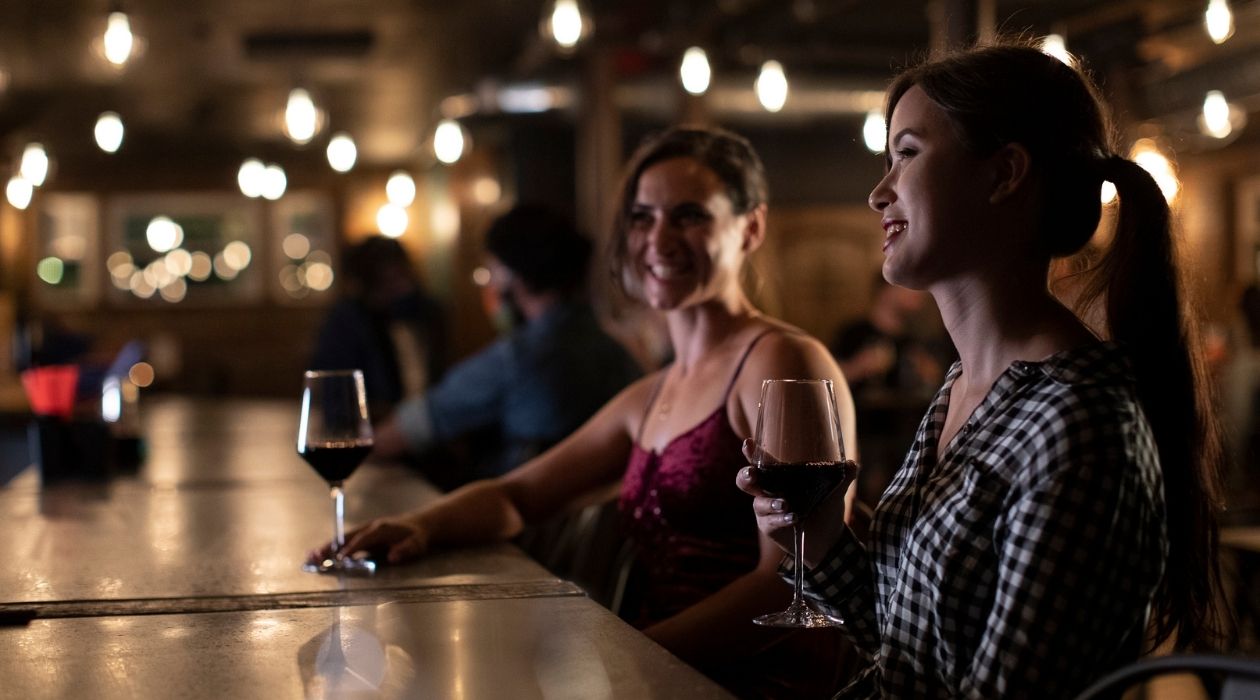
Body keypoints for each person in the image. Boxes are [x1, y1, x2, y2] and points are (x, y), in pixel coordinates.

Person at [739, 41, 1229, 698]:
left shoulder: (1078, 424)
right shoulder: (963, 388)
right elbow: (906, 647)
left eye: (907, 154)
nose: (878, 193)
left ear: (1003, 174)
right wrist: (822, 537)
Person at [312, 126, 859, 697]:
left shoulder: (781, 360)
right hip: (651, 668)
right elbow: (516, 497)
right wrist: (418, 526)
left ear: (751, 228)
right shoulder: (651, 393)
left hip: (750, 681)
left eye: (690, 215)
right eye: (643, 217)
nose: (659, 239)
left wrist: (627, 656)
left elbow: (792, 579)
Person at [369, 205, 642, 486]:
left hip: (525, 517)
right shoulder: (615, 349)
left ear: (513, 274)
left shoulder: (520, 356)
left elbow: (409, 429)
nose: (490, 284)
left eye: (492, 270)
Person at [310, 236, 448, 420]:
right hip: (373, 429)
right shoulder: (348, 322)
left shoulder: (423, 314)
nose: (401, 287)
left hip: (426, 428)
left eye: (401, 276)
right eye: (389, 280)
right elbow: (333, 393)